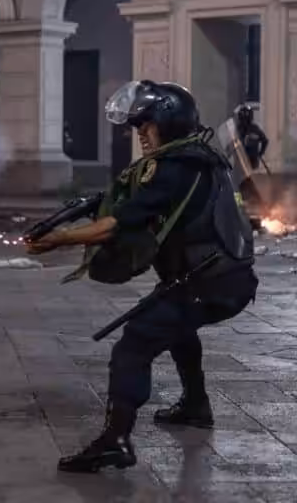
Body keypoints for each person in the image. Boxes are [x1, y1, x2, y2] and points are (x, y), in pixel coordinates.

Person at [25, 81, 258, 473]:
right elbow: (136, 200)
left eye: (146, 126)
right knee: (179, 328)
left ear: (168, 123)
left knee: (133, 347)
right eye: (137, 128)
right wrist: (86, 209)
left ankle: (115, 440)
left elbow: (118, 224)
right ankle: (195, 406)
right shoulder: (197, 157)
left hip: (209, 282)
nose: (141, 136)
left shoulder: (176, 168)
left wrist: (59, 239)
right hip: (224, 278)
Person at [236, 104, 268, 171]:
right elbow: (231, 142)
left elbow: (265, 140)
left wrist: (260, 153)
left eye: (241, 117)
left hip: (252, 160)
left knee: (253, 177)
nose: (240, 119)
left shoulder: (254, 129)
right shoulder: (237, 129)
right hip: (240, 159)